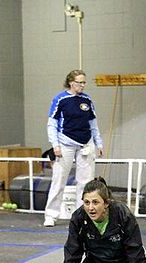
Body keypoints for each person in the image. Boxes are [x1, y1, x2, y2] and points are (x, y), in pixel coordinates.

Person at [56, 177, 146, 263]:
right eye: (86, 202)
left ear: (106, 203)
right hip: (95, 262)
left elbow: (136, 252)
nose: (91, 208)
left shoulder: (123, 214)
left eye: (95, 202)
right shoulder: (78, 218)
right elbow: (72, 252)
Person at [43, 69, 104, 227]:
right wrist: (55, 145)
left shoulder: (87, 100)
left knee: (85, 183)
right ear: (71, 82)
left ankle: (82, 216)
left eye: (84, 82)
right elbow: (52, 124)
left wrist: (99, 143)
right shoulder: (60, 99)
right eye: (79, 82)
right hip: (65, 144)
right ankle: (51, 215)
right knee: (59, 180)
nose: (82, 85)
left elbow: (93, 124)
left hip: (85, 144)